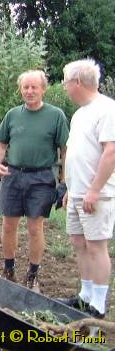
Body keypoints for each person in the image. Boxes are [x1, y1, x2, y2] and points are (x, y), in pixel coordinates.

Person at [0, 70, 69, 293]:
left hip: (42, 177)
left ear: (43, 89)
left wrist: (65, 179)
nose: (30, 91)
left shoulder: (56, 116)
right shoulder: (13, 115)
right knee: (8, 225)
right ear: (21, 90)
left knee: (35, 227)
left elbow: (65, 150)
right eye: (26, 87)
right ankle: (8, 269)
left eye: (34, 87)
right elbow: (0, 144)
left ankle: (33, 274)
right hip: (13, 175)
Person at [57, 59, 115, 319]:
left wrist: (94, 190)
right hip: (78, 192)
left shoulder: (107, 109)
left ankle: (99, 305)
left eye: (65, 82)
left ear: (77, 82)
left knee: (96, 246)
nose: (64, 87)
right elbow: (78, 154)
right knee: (79, 243)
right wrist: (71, 189)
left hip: (97, 194)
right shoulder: (80, 114)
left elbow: (111, 153)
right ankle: (85, 295)